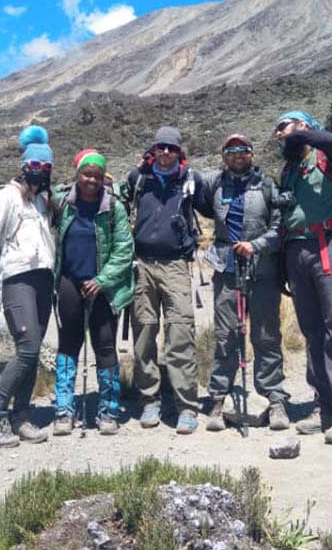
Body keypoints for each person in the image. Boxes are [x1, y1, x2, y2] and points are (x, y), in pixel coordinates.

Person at [274, 110, 332, 444]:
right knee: (312, 331)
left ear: (304, 126)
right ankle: (324, 406)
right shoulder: (289, 170)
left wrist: (305, 134)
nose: (280, 134)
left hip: (328, 245)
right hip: (297, 251)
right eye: (277, 131)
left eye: (284, 127)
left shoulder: (330, 156)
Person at [195, 133, 290, 431]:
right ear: (223, 156)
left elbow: (280, 226)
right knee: (226, 335)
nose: (238, 155)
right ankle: (219, 398)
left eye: (243, 150)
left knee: (265, 334)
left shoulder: (267, 185)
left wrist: (256, 245)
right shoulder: (214, 184)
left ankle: (275, 399)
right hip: (226, 268)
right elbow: (194, 189)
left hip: (262, 269)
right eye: (231, 150)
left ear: (252, 154)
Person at [0, 125, 56, 448]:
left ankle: (22, 416)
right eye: (35, 166)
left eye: (46, 166)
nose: (40, 172)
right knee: (28, 349)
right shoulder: (6, 197)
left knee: (33, 355)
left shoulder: (42, 200)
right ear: (24, 166)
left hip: (42, 280)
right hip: (16, 280)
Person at [125, 126, 206, 434]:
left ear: (179, 152)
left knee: (180, 333)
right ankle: (149, 399)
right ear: (153, 149)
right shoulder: (138, 180)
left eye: (171, 148)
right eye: (161, 147)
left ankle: (186, 405)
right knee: (144, 331)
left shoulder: (191, 181)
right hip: (142, 263)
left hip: (176, 266)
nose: (166, 152)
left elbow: (216, 207)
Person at [52, 149, 134, 436]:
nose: (91, 180)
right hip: (69, 283)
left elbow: (124, 250)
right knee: (68, 344)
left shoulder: (114, 207)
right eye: (86, 174)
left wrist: (102, 279)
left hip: (104, 288)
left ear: (103, 178)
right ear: (77, 175)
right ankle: (63, 409)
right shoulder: (62, 202)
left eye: (97, 176)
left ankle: (108, 410)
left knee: (105, 345)